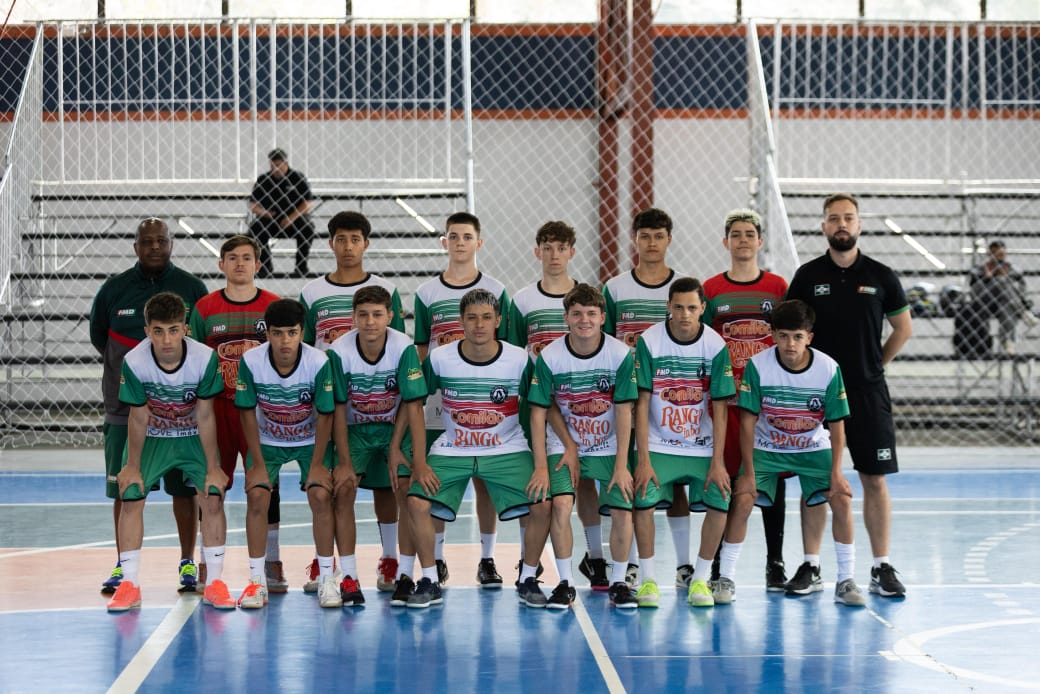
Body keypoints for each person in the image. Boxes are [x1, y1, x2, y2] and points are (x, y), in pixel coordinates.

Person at [785, 193, 912, 598]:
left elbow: (902, 329)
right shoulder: (807, 276)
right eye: (834, 218)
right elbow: (792, 329)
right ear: (823, 226)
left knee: (874, 479)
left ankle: (880, 566)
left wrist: (876, 364)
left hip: (867, 393)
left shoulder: (881, 275)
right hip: (817, 394)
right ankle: (812, 564)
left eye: (849, 218)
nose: (842, 224)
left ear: (859, 225)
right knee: (816, 480)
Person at [405, 289, 552, 608]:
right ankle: (429, 578)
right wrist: (418, 460)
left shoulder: (519, 358)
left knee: (542, 503)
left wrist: (543, 463)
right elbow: (413, 402)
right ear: (461, 322)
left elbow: (542, 407)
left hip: (507, 449)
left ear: (498, 320)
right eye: (471, 318)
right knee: (416, 502)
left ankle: (527, 577)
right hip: (453, 449)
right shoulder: (441, 357)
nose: (479, 325)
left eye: (486, 317)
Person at [89, 217, 208, 596]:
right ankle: (125, 566)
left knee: (185, 491)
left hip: (182, 415)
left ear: (172, 244)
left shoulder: (192, 288)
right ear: (135, 246)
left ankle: (187, 561)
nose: (155, 246)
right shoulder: (113, 290)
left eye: (162, 240)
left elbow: (200, 344)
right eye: (147, 241)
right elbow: (98, 339)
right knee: (126, 487)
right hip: (125, 411)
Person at [725, 299, 866, 607]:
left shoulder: (828, 369)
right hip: (767, 447)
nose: (791, 343)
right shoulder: (758, 366)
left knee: (841, 498)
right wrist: (748, 473)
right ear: (773, 335)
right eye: (784, 335)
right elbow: (747, 424)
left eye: (798, 336)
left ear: (809, 338)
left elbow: (838, 426)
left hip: (813, 448)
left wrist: (837, 472)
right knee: (744, 497)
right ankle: (726, 577)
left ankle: (845, 579)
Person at [300, 210, 407, 593]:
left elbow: (400, 350)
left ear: (366, 243)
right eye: (340, 239)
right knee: (335, 487)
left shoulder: (385, 288)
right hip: (336, 407)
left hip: (382, 408)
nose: (347, 247)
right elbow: (306, 349)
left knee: (386, 488)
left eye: (355, 239)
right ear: (330, 244)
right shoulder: (313, 293)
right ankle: (325, 560)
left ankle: (391, 556)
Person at [105, 292, 231, 612]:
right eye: (158, 331)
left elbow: (204, 415)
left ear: (185, 329)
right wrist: (133, 465)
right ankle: (130, 584)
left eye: (174, 329)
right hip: (154, 437)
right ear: (147, 331)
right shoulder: (135, 360)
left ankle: (215, 582)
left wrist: (213, 466)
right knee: (130, 490)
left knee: (212, 492)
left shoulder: (204, 358)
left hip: (191, 435)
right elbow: (138, 415)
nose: (166, 339)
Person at [413, 212, 511, 588]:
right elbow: (422, 348)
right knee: (438, 478)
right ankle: (436, 557)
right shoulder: (426, 293)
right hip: (443, 397)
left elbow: (509, 346)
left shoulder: (497, 289)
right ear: (444, 242)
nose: (459, 243)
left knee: (485, 479)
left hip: (487, 399)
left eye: (467, 236)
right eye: (453, 236)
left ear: (478, 243)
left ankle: (487, 558)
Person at [528, 283, 640, 608]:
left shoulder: (619, 354)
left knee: (622, 508)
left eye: (591, 313)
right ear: (566, 317)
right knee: (560, 506)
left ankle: (619, 581)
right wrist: (542, 464)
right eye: (576, 314)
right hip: (563, 445)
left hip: (608, 445)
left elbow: (623, 411)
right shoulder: (549, 356)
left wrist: (621, 464)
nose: (584, 320)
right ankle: (565, 583)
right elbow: (539, 411)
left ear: (603, 317)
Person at [632, 277, 736, 608]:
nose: (685, 314)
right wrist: (644, 459)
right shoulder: (650, 342)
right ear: (668, 307)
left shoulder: (716, 345)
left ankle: (701, 580)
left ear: (703, 309)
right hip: (659, 445)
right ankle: (648, 579)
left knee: (721, 495)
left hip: (701, 445)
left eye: (692, 307)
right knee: (643, 498)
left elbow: (720, 408)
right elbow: (642, 402)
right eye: (678, 307)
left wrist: (718, 462)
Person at [188, 235, 283, 591]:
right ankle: (206, 564)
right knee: (211, 486)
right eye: (232, 258)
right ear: (221, 265)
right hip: (217, 411)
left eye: (247, 258)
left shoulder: (273, 305)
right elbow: (193, 359)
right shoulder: (205, 309)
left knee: (265, 486)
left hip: (260, 412)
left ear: (258, 264)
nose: (240, 264)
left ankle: (271, 562)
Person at [702, 209, 790, 591]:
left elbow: (789, 340)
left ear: (760, 241)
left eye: (749, 233)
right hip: (727, 400)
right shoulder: (711, 290)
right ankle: (718, 564)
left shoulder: (777, 287)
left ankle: (775, 561)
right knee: (728, 480)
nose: (742, 240)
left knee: (772, 480)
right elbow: (702, 344)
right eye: (735, 234)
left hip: (766, 402)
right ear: (726, 242)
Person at [326, 285, 429, 607]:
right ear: (353, 317)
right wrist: (344, 461)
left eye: (377, 314)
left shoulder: (404, 346)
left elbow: (412, 404)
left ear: (391, 316)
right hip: (354, 429)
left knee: (406, 488)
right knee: (342, 488)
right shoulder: (338, 351)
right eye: (363, 315)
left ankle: (405, 574)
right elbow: (338, 409)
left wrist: (403, 450)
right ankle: (349, 576)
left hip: (393, 425)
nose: (370, 321)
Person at [234, 299, 340, 608]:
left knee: (321, 496)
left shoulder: (318, 361)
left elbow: (325, 415)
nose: (285, 341)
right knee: (257, 496)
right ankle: (256, 582)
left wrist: (318, 464)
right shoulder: (251, 361)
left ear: (302, 332)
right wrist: (255, 464)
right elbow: (246, 413)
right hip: (268, 439)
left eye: (292, 333)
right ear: (267, 333)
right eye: (277, 333)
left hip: (310, 441)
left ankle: (326, 578)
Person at [600, 207, 683, 588]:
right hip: (628, 398)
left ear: (669, 239)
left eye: (658, 236)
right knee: (631, 477)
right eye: (644, 236)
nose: (651, 243)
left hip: (674, 400)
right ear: (635, 240)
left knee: (675, 480)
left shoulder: (682, 289)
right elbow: (607, 343)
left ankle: (684, 564)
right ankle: (630, 564)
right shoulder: (615, 289)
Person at [506, 220, 580, 583]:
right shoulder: (522, 300)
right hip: (536, 406)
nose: (554, 255)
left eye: (561, 248)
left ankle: (595, 555)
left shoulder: (586, 299)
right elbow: (513, 353)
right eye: (547, 248)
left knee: (584, 487)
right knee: (534, 490)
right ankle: (527, 560)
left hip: (580, 405)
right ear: (537, 252)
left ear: (572, 252)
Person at [248, 148, 315, 278]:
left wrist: (291, 217)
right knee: (255, 229)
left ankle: (301, 266)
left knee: (308, 228)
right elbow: (253, 205)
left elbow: (307, 203)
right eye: (273, 165)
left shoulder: (297, 177)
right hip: (270, 219)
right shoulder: (264, 179)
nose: (276, 169)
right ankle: (265, 266)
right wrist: (265, 213)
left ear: (285, 163)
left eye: (278, 165)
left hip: (294, 219)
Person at [970, 240, 1038, 355]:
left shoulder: (1012, 269)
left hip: (1006, 302)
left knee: (1006, 305)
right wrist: (987, 277)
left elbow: (1021, 288)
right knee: (1000, 281)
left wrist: (1007, 276)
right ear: (989, 255)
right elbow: (974, 291)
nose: (997, 259)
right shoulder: (980, 268)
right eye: (994, 255)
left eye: (1000, 255)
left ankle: (1008, 342)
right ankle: (1023, 312)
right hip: (986, 301)